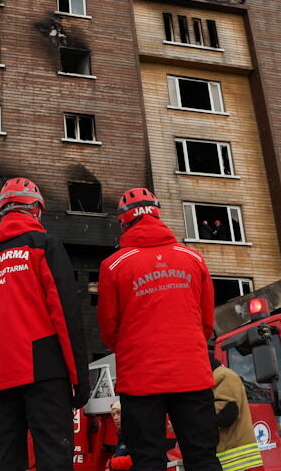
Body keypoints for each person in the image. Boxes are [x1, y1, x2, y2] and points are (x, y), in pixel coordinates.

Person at [0, 177, 90, 471]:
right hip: (44, 369)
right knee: (53, 455)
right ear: (35, 209)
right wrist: (79, 377)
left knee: (4, 457)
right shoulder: (43, 245)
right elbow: (65, 312)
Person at [97, 188, 222, 471]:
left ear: (123, 222)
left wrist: (131, 350)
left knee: (147, 460)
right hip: (192, 374)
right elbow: (205, 322)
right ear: (158, 213)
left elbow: (108, 327)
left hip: (140, 379)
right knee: (203, 456)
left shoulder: (113, 265)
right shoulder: (192, 258)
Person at [210, 353, 262, 471]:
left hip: (239, 463)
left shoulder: (223, 375)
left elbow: (227, 412)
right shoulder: (220, 375)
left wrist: (191, 419)